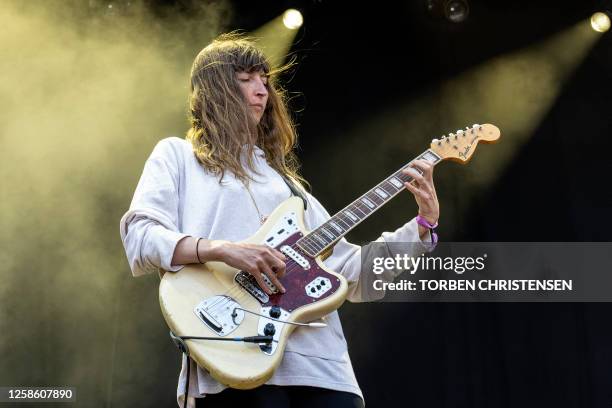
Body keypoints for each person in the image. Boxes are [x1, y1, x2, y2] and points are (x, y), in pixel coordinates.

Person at [119, 32, 440, 408]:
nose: (262, 91)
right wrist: (224, 251)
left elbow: (352, 276)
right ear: (215, 88)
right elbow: (140, 237)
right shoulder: (178, 157)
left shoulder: (291, 189)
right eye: (246, 79)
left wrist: (422, 227)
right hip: (233, 355)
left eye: (265, 81)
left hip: (323, 369)